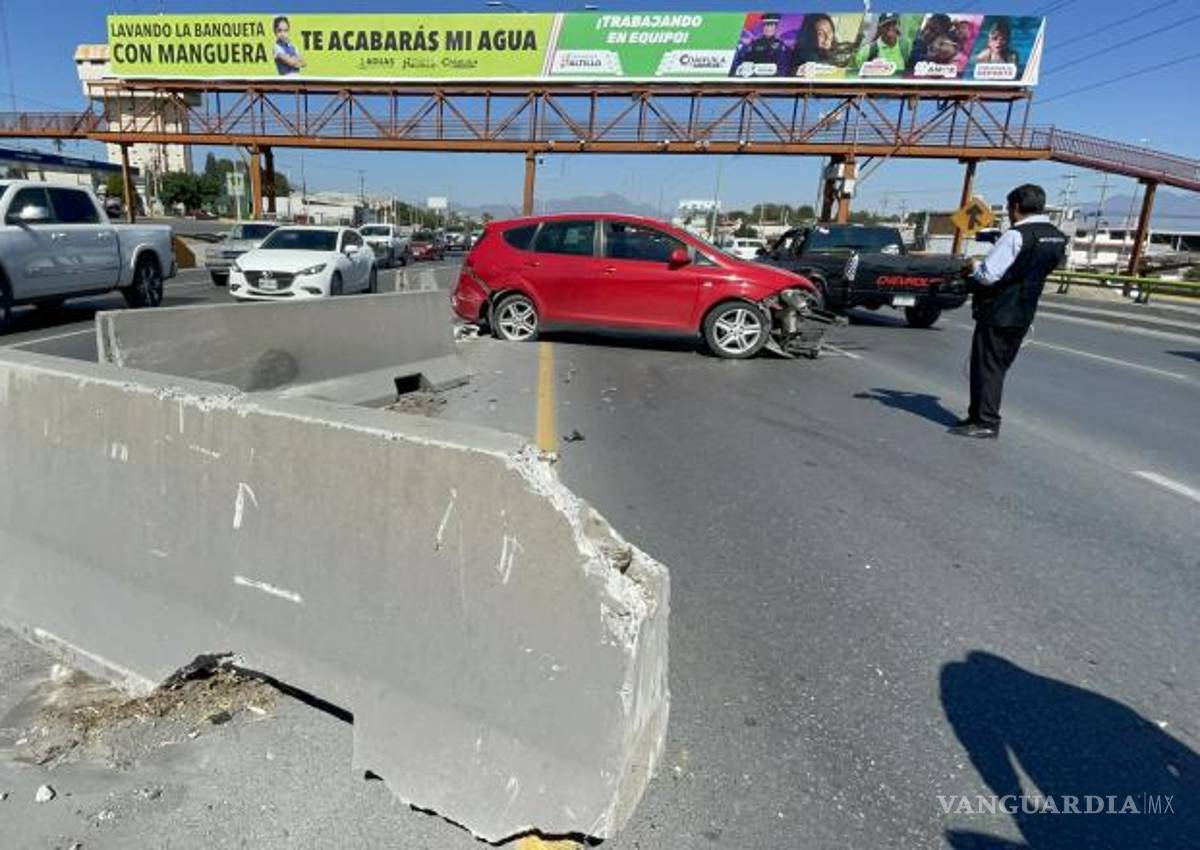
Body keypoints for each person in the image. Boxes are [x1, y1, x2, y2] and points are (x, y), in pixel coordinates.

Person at [951, 184, 1067, 439]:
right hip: (1025, 310)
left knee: (987, 366)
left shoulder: (1016, 236)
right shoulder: (1057, 236)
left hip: (999, 309)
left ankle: (986, 421)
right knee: (998, 366)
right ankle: (978, 414)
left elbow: (989, 275)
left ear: (1015, 207)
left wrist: (973, 266)